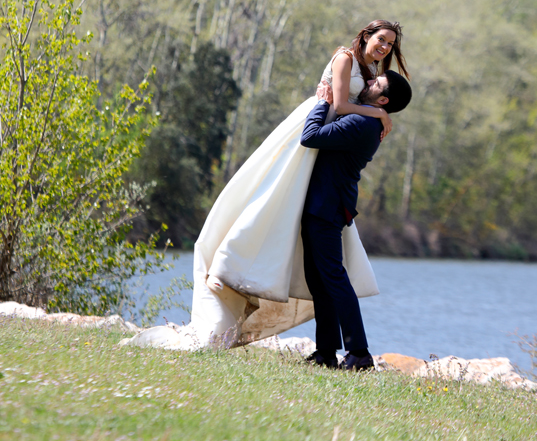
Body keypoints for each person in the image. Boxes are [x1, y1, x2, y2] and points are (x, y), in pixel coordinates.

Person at [125, 20, 410, 352]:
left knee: (326, 273)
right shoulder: (347, 61)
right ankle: (326, 348)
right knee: (276, 202)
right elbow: (339, 105)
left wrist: (374, 114)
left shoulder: (366, 97)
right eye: (382, 40)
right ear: (366, 36)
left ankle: (352, 353)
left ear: (384, 96)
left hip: (326, 160)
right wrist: (376, 114)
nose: (385, 49)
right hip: (320, 128)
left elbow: (341, 111)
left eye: (391, 44)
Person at [301, 67, 413, 370]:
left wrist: (322, 102)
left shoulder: (362, 122)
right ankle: (325, 353)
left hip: (328, 206)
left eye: (376, 83)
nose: (369, 82)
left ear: (383, 99)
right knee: (320, 280)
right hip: (322, 204)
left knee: (333, 278)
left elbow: (310, 137)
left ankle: (359, 353)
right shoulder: (366, 118)